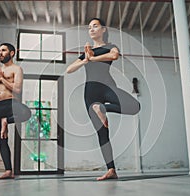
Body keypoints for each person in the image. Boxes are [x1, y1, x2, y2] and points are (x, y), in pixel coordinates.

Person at [66, 18, 140, 180]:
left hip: (107, 87)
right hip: (91, 92)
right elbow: (69, 69)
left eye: (95, 26)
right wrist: (85, 60)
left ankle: (103, 108)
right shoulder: (86, 52)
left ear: (103, 29)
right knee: (102, 133)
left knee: (135, 106)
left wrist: (93, 58)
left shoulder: (110, 47)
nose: (91, 29)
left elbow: (114, 56)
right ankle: (111, 170)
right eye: (89, 27)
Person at [0, 43, 31, 179]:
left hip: (11, 103)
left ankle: (6, 121)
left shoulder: (17, 69)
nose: (0, 53)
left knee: (26, 113)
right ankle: (8, 171)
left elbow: (17, 90)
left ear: (12, 53)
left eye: (3, 50)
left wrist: (1, 78)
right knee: (2, 139)